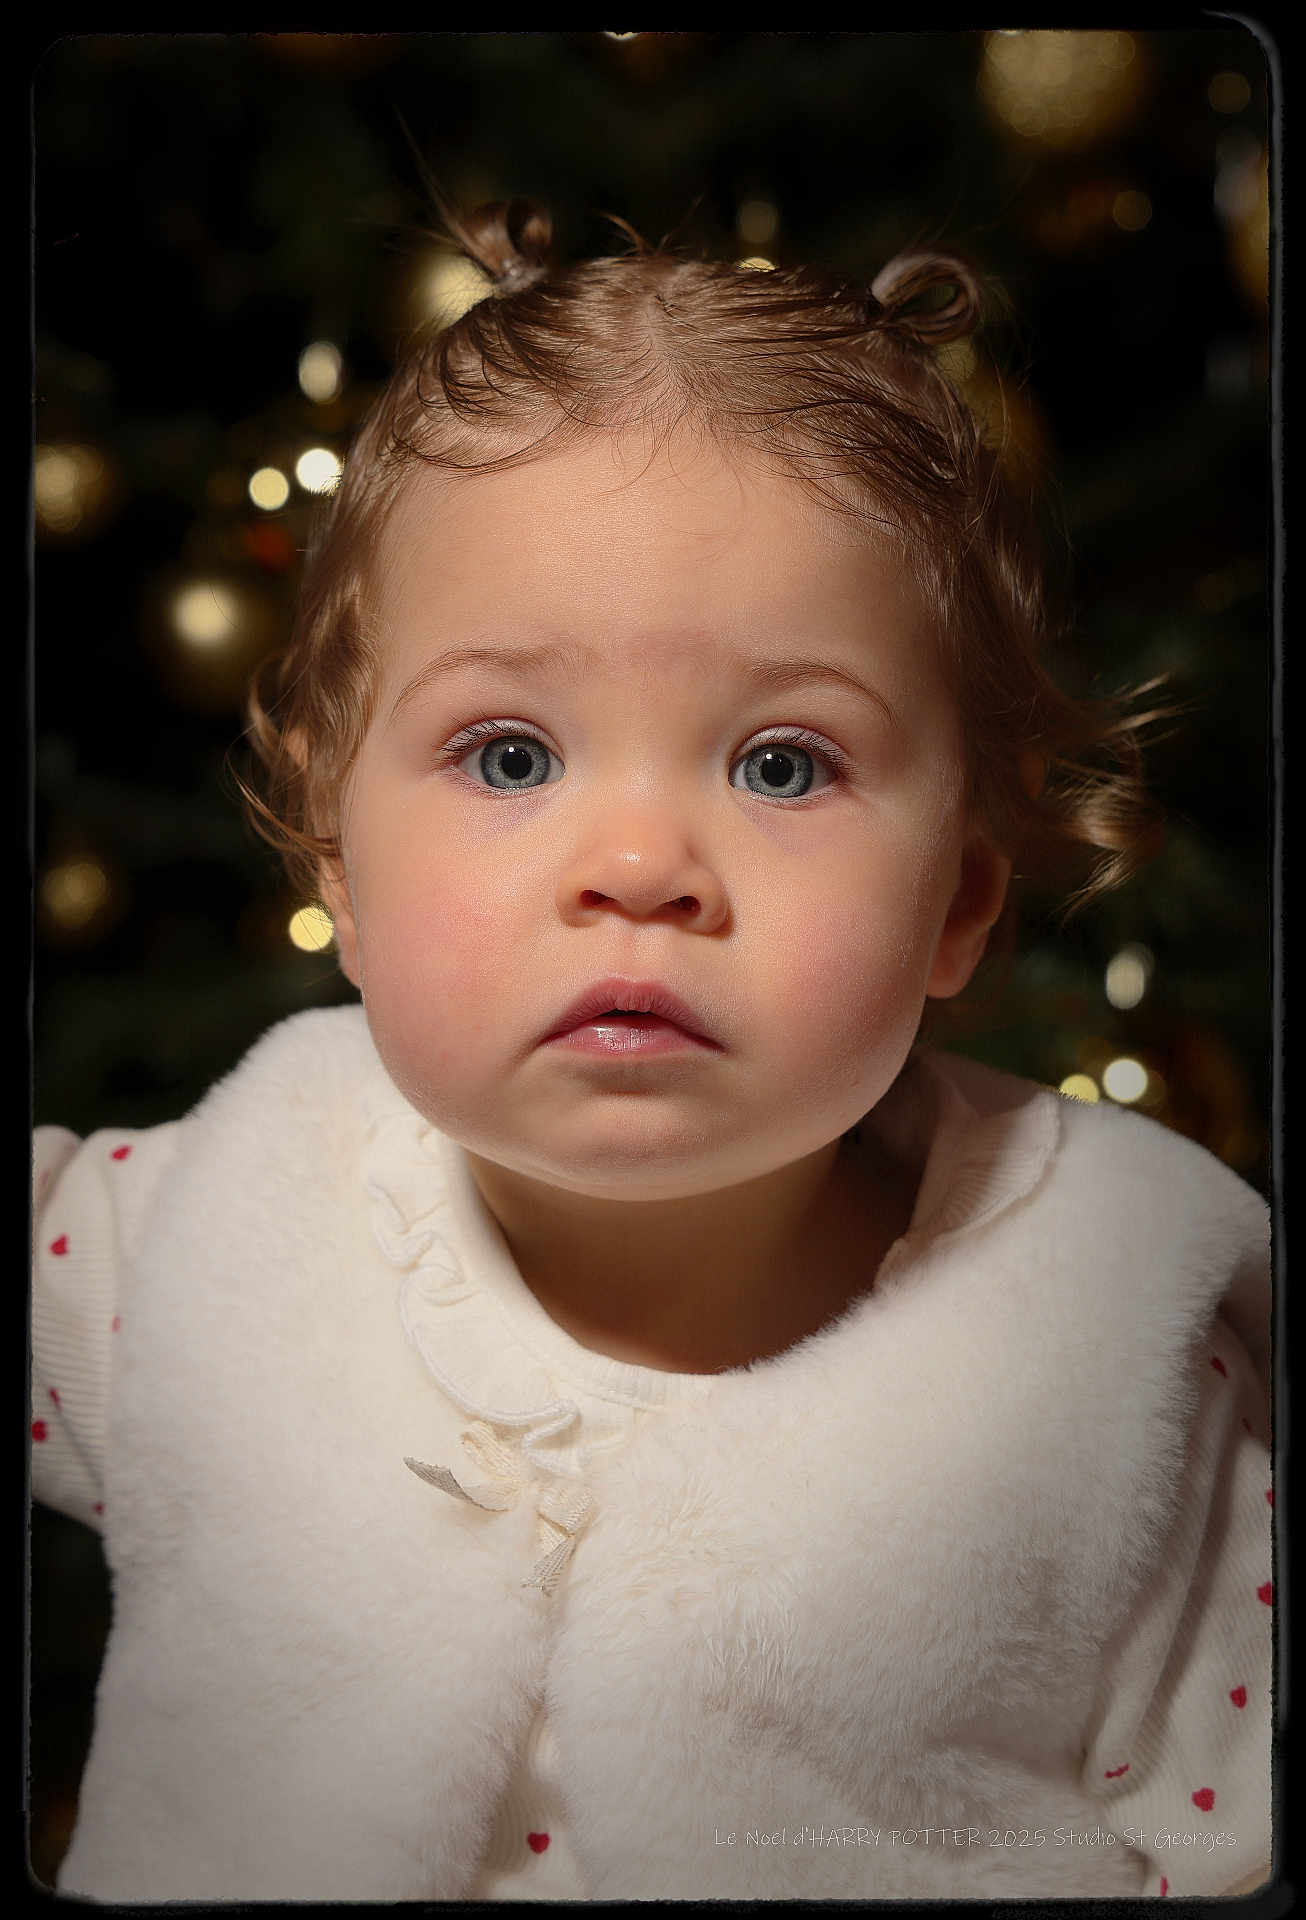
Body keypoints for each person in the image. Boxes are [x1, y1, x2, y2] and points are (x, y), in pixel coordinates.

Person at [31, 195, 1272, 1901]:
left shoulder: (1104, 1355)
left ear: (957, 905)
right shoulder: (171, 1246)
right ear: (337, 852)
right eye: (508, 754)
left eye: (780, 766)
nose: (635, 868)